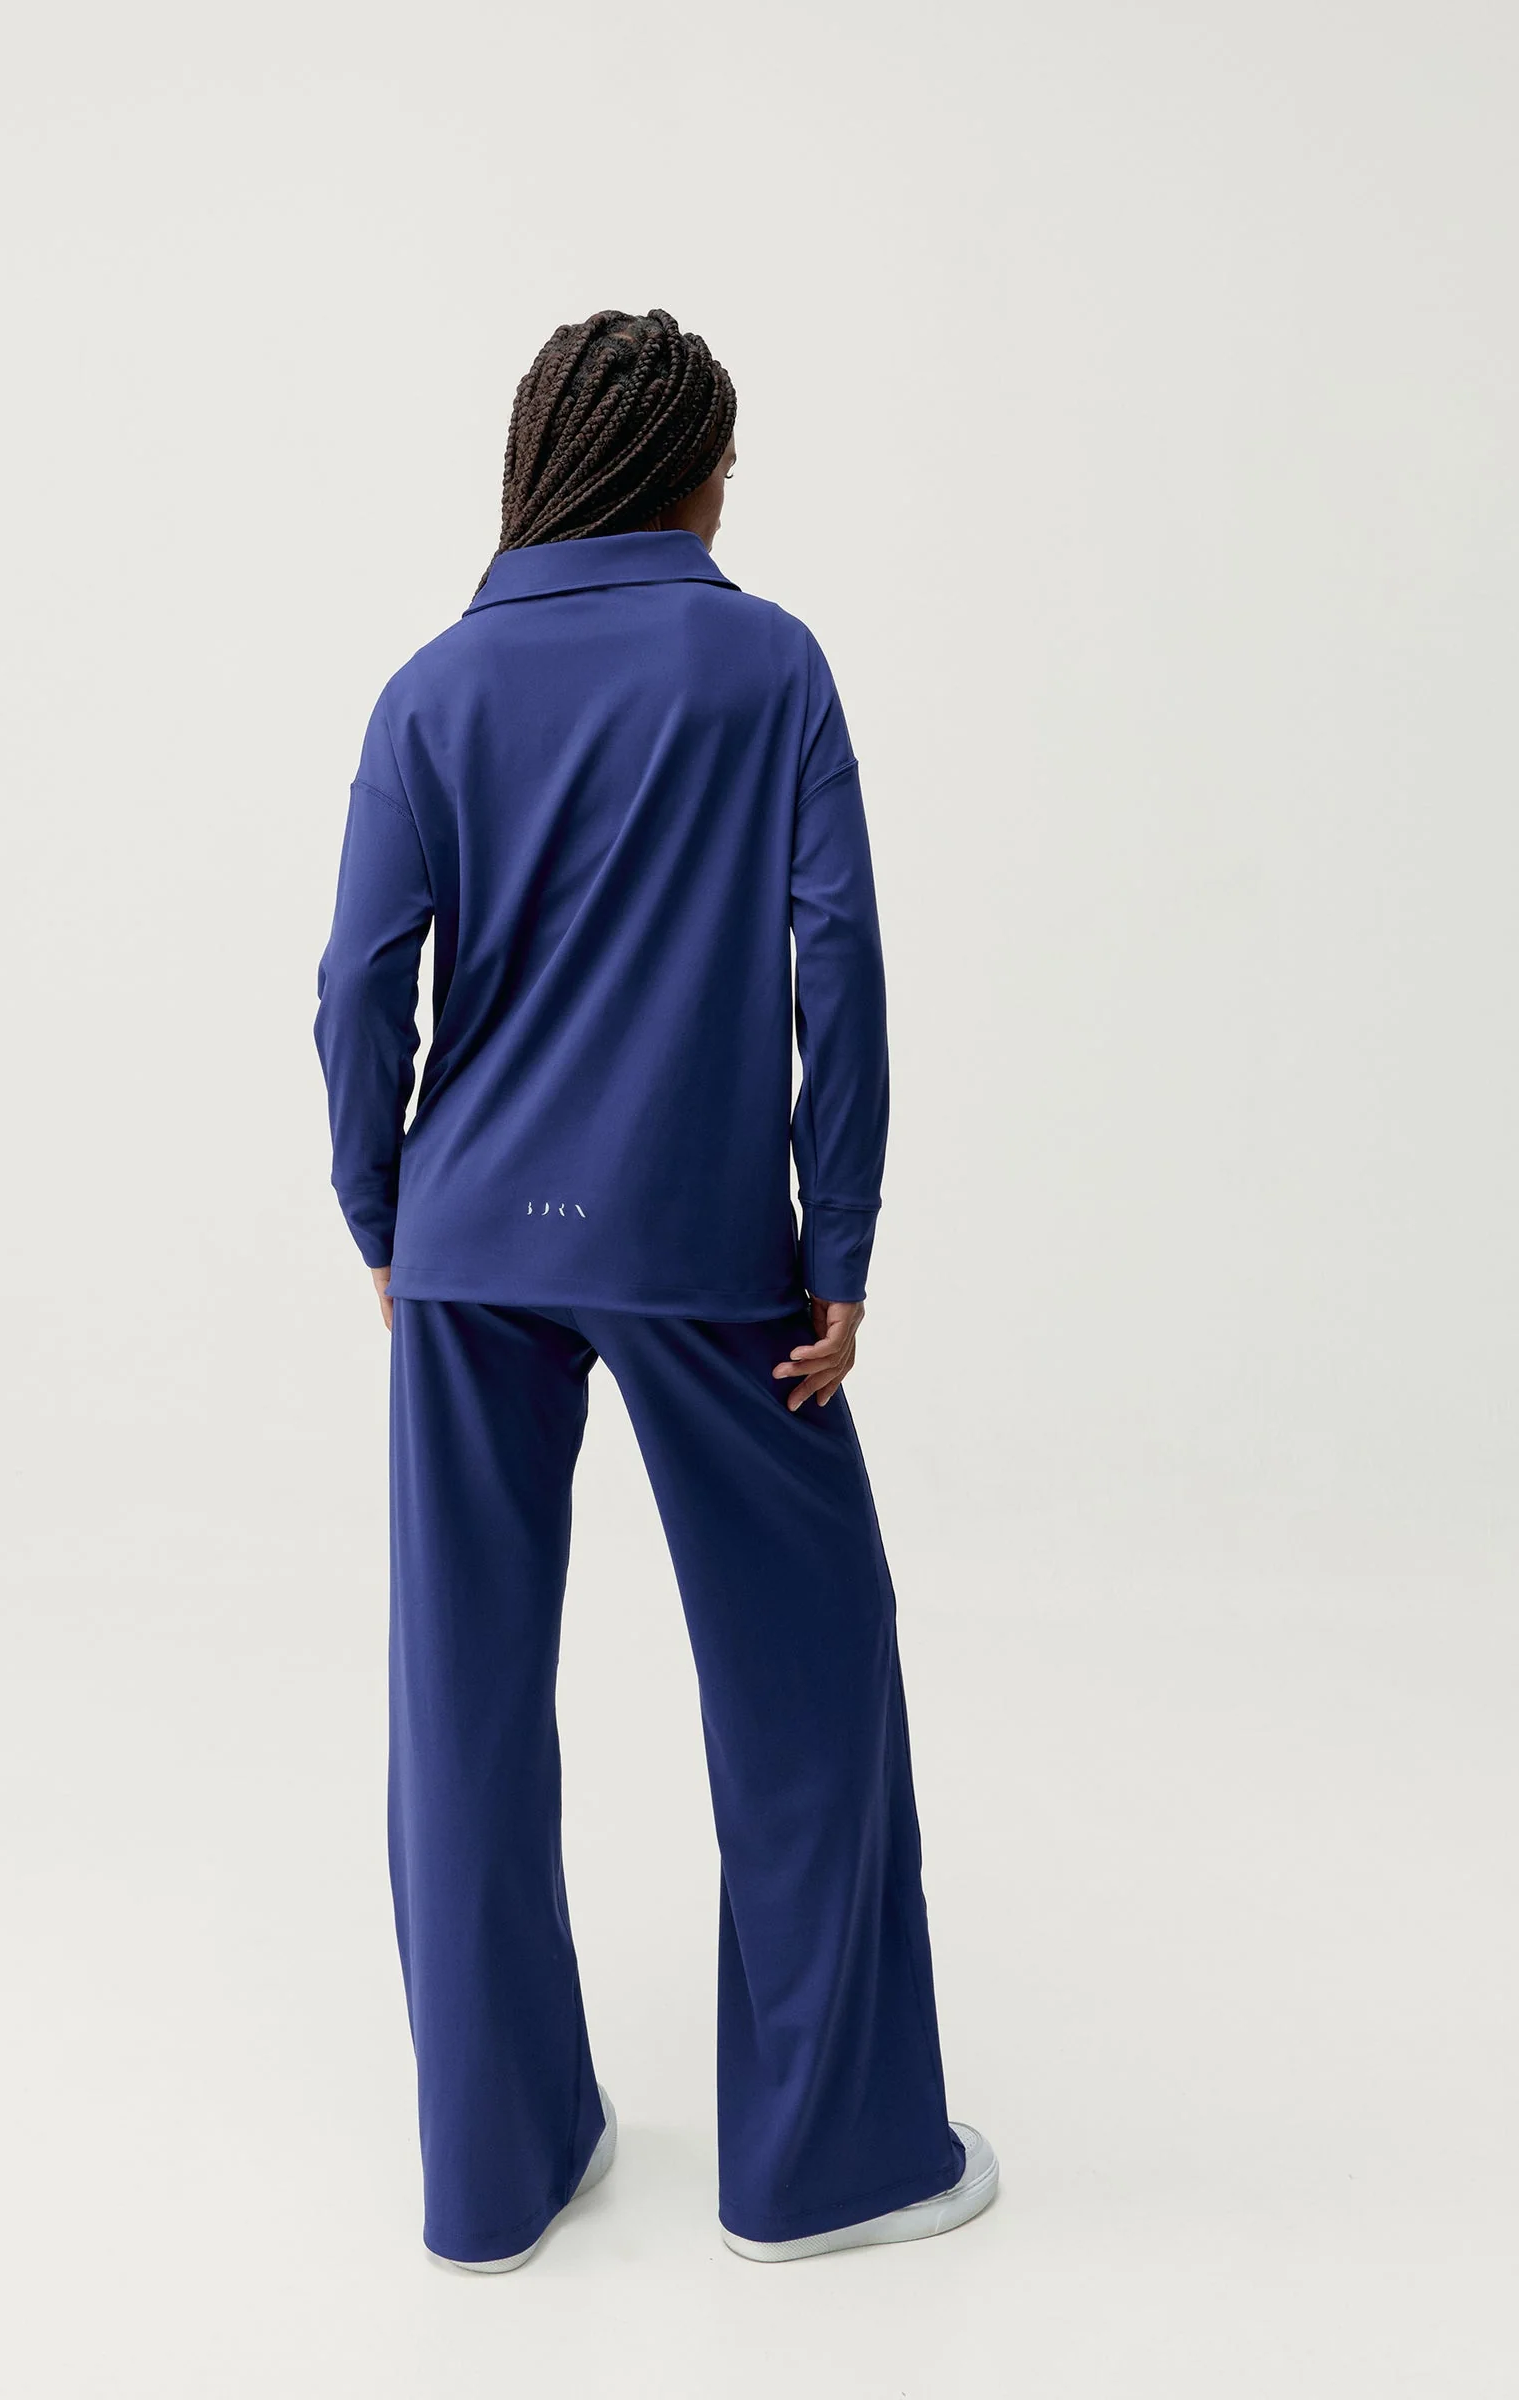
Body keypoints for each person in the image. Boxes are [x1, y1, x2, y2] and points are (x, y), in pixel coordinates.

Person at [314, 307, 997, 2270]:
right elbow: (835, 960)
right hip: (704, 1251)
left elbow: (358, 984)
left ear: (537, 465)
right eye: (727, 470)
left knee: (461, 1703)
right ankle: (828, 2170)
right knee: (808, 1677)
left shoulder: (432, 689)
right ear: (695, 475)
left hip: (467, 1251)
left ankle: (495, 2178)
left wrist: (384, 1213)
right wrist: (838, 1247)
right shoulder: (765, 663)